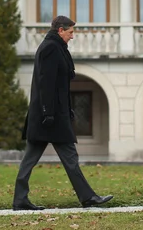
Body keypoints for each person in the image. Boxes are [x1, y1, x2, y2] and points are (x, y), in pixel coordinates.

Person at [12, 16, 114, 211]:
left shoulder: (56, 47)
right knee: (65, 158)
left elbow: (59, 86)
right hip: (49, 117)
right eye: (70, 32)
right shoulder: (51, 48)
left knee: (36, 160)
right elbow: (46, 84)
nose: (72, 36)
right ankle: (88, 197)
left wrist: (66, 109)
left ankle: (20, 200)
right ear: (60, 30)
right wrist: (48, 113)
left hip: (51, 115)